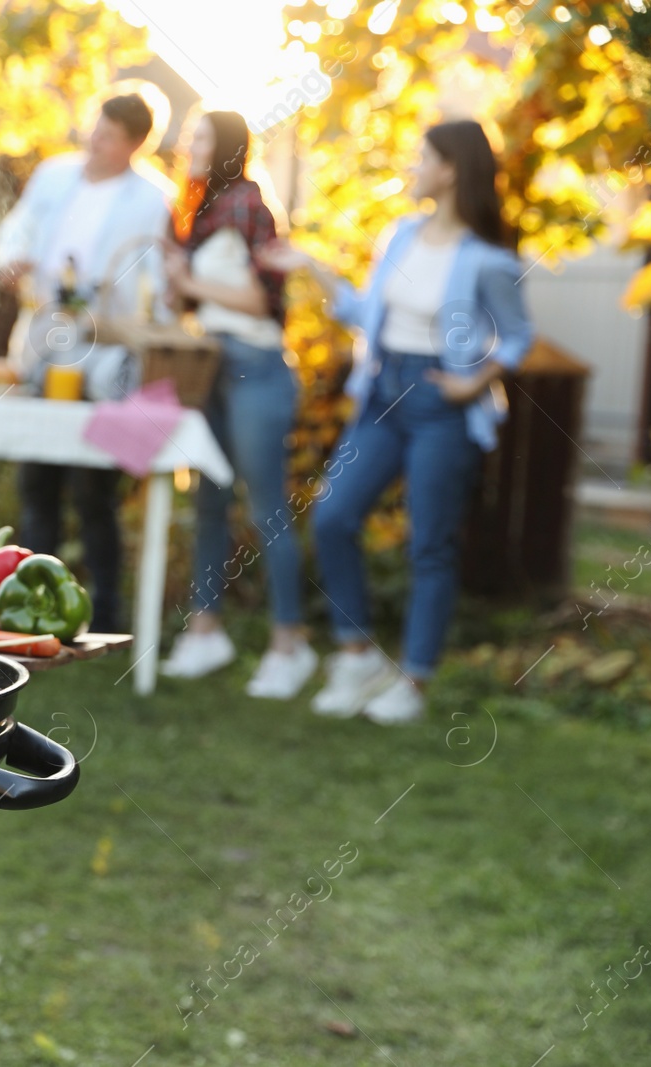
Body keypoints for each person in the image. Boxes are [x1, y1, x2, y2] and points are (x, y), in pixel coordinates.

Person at [260, 120, 534, 723]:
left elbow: (516, 337)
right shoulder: (402, 235)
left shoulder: (487, 258)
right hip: (383, 395)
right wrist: (310, 264)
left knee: (429, 544)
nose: (412, 167)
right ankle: (357, 654)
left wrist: (475, 378)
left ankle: (413, 680)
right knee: (332, 518)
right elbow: (364, 310)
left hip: (443, 405)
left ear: (451, 169)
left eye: (422, 158)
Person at [0, 94, 170, 632]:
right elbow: (16, 231)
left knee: (94, 487)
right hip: (46, 340)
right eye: (98, 129)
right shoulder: (53, 176)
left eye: (113, 136)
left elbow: (151, 283)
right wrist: (10, 261)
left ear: (135, 145)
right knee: (37, 478)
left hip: (105, 350)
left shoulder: (149, 201)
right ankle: (29, 610)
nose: (98, 142)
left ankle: (105, 615)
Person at [157, 111, 316, 699]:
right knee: (209, 500)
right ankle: (205, 630)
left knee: (266, 505)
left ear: (223, 146)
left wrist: (191, 284)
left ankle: (289, 643)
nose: (186, 145)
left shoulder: (248, 205)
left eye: (198, 137)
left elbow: (256, 300)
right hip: (213, 369)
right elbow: (199, 304)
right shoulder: (202, 211)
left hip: (256, 369)